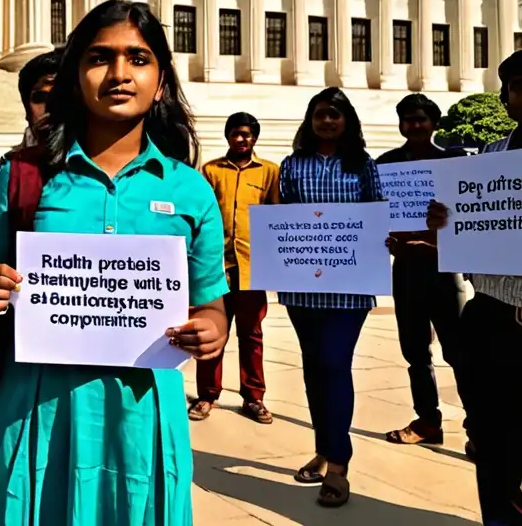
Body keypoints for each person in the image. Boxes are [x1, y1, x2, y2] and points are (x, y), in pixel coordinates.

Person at [0, 0, 229, 525]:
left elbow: (211, 305)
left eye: (139, 58)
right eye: (100, 57)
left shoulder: (189, 190)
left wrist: (211, 331)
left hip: (143, 415)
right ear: (75, 74)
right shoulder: (23, 178)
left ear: (162, 80)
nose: (119, 74)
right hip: (37, 410)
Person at [428, 50, 522, 526]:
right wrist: (445, 224)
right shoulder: (485, 161)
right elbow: (463, 233)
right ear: (506, 99)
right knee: (492, 435)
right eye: (519, 86)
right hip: (493, 316)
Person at [280, 87, 383, 508]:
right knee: (311, 369)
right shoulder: (292, 165)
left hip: (349, 288)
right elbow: (282, 217)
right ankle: (325, 447)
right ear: (310, 120)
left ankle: (338, 465)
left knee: (334, 364)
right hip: (302, 286)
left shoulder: (363, 167)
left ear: (348, 122)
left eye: (335, 115)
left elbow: (380, 214)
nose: (327, 121)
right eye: (321, 114)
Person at [377, 94, 469, 449]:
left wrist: (435, 243)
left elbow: (468, 218)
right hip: (407, 269)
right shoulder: (387, 165)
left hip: (444, 270)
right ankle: (428, 420)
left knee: (458, 351)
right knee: (414, 350)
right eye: (408, 119)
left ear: (434, 124)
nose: (415, 125)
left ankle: (477, 428)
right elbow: (375, 215)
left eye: (421, 119)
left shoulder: (451, 164)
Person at [192, 111, 279, 424]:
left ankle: (253, 397)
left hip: (252, 268)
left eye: (247, 134)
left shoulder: (269, 172)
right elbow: (203, 215)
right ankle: (207, 395)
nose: (242, 139)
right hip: (216, 267)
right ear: (228, 136)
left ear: (255, 137)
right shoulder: (212, 170)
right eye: (236, 134)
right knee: (212, 331)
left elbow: (277, 218)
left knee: (252, 335)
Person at [1, 48, 62, 161]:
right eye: (40, 97)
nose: (50, 106)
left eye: (59, 97)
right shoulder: (13, 169)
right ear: (27, 110)